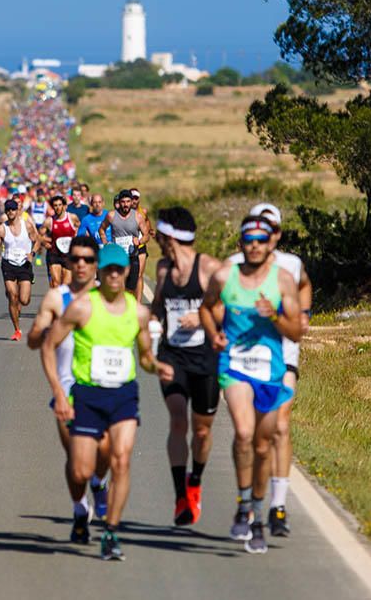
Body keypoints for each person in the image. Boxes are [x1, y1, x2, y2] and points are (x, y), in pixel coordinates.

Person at [42, 243, 174, 560]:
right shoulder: (82, 307)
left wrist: (156, 366)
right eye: (109, 269)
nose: (114, 274)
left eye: (119, 269)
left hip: (123, 394)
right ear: (101, 272)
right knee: (81, 470)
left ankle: (111, 532)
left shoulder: (138, 312)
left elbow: (143, 357)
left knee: (121, 460)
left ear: (127, 272)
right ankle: (82, 506)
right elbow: (49, 346)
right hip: (87, 394)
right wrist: (60, 392)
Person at [199, 215, 302, 554]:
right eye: (249, 239)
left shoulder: (283, 280)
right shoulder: (225, 276)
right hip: (235, 367)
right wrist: (215, 334)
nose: (255, 245)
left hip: (270, 372)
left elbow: (296, 331)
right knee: (243, 433)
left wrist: (273, 315)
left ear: (269, 243)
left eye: (261, 239)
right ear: (241, 244)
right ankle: (244, 504)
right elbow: (207, 307)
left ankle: (257, 513)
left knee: (262, 445)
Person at [228, 203, 312, 537]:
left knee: (280, 425)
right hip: (242, 358)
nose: (264, 236)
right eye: (257, 228)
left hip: (283, 354)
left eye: (271, 229)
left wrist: (303, 314)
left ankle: (278, 506)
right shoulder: (234, 265)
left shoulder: (291, 264)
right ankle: (246, 498)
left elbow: (305, 283)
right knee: (248, 435)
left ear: (277, 234)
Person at [28, 236, 110, 540]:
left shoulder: (109, 297)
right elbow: (36, 342)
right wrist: (39, 332)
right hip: (68, 391)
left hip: (104, 388)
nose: (81, 265)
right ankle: (79, 509)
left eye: (88, 259)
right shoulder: (56, 298)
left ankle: (99, 483)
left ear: (96, 264)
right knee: (77, 464)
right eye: (75, 259)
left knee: (106, 452)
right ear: (68, 262)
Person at [150, 207, 222, 526]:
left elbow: (230, 310)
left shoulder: (208, 268)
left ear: (170, 237)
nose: (156, 239)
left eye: (160, 235)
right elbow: (156, 308)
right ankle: (181, 496)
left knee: (202, 429)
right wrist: (148, 323)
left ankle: (196, 480)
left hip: (205, 356)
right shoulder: (162, 269)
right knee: (178, 420)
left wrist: (202, 317)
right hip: (173, 355)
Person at [0, 199, 41, 340]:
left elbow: (37, 241)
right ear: (6, 212)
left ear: (17, 211)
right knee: (12, 296)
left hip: (24, 264)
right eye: (8, 210)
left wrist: (32, 253)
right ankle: (17, 330)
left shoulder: (27, 225)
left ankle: (21, 292)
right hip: (8, 264)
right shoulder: (1, 228)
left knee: (24, 300)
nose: (11, 212)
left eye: (13, 209)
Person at [99, 190, 151, 300]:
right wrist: (106, 243)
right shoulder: (112, 215)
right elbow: (102, 230)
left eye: (128, 201)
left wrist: (140, 241)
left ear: (132, 202)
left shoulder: (138, 216)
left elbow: (146, 235)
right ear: (119, 202)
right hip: (117, 257)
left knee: (131, 289)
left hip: (132, 256)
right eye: (123, 202)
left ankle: (128, 309)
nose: (125, 204)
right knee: (117, 286)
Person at [43, 194, 80, 287]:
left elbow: (80, 229)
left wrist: (76, 238)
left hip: (68, 255)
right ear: (53, 207)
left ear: (64, 206)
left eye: (60, 205)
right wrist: (45, 242)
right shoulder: (49, 221)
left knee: (66, 285)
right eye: (55, 205)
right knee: (55, 283)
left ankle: (64, 301)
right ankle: (56, 300)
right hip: (54, 254)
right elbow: (40, 235)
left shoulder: (72, 217)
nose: (58, 207)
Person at [129, 188, 152, 302]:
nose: (133, 201)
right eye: (131, 198)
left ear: (138, 199)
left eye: (136, 198)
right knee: (128, 276)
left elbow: (147, 221)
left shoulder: (143, 211)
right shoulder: (123, 212)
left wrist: (150, 230)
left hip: (140, 247)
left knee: (138, 275)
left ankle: (138, 302)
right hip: (127, 248)